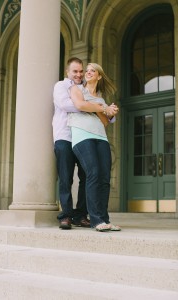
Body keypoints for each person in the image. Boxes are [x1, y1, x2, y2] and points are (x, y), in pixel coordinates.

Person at [53, 57, 117, 230]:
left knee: (87, 176)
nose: (79, 74)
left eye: (81, 71)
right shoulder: (62, 86)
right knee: (66, 178)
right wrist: (100, 107)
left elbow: (97, 111)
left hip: (84, 137)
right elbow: (71, 105)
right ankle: (66, 215)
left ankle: (80, 215)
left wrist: (99, 107)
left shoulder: (85, 89)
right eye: (75, 71)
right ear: (68, 72)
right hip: (65, 136)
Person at [68, 62, 121, 232]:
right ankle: (96, 220)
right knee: (94, 173)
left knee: (105, 178)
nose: (88, 72)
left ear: (99, 76)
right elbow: (80, 105)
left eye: (93, 71)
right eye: (87, 70)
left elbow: (105, 122)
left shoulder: (100, 98)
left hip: (100, 137)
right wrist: (103, 108)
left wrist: (107, 111)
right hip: (82, 136)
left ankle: (104, 219)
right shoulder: (76, 89)